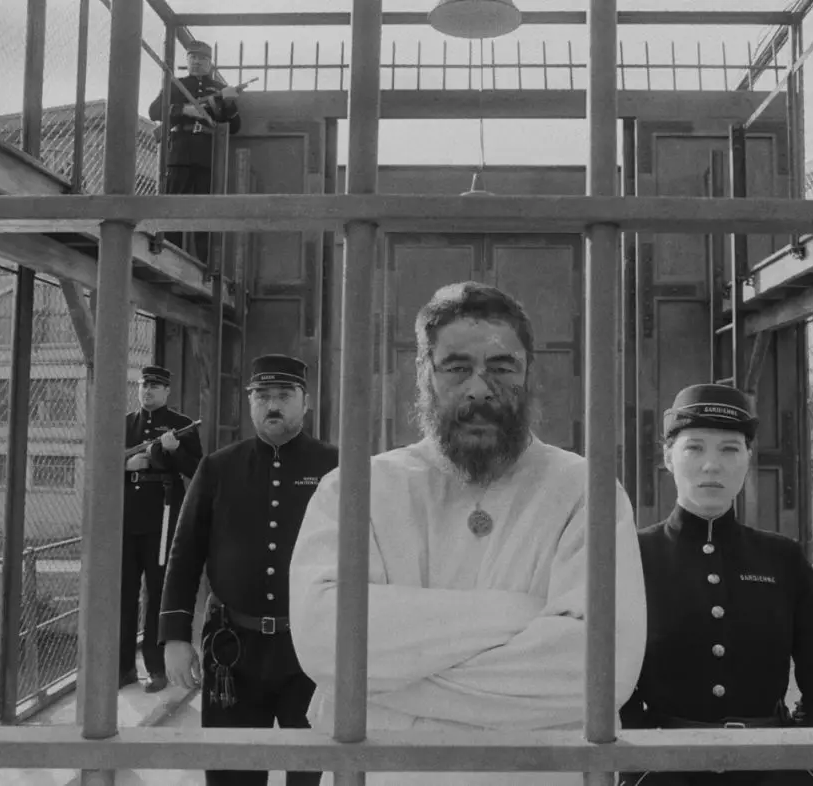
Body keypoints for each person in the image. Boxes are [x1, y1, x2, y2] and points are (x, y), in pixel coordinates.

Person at [289, 281, 647, 786]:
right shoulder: (357, 489)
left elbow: (601, 673)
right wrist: (521, 612)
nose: (480, 389)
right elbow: (326, 643)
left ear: (530, 374)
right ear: (424, 374)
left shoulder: (586, 491)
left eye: (502, 367)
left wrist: (378, 688)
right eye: (456, 368)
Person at [619, 384, 813, 786]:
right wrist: (639, 760)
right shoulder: (633, 555)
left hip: (772, 768)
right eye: (694, 448)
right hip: (662, 769)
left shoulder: (783, 559)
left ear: (748, 458)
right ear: (668, 457)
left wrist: (802, 760)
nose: (711, 465)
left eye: (730, 449)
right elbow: (609, 680)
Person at [159, 354, 338, 786]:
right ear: (250, 402)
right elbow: (185, 554)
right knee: (231, 773)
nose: (272, 405)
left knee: (309, 774)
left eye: (284, 395)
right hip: (233, 651)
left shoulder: (335, 468)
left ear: (306, 402)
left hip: (311, 652)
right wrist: (175, 637)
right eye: (262, 396)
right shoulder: (217, 467)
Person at [122, 365, 202, 693]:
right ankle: (124, 667)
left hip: (163, 518)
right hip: (126, 518)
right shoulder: (125, 424)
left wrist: (174, 450)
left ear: (167, 391)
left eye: (155, 386)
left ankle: (156, 668)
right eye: (144, 385)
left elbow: (197, 469)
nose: (148, 391)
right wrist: (126, 465)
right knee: (124, 593)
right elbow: (99, 464)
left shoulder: (182, 426)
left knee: (157, 593)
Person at [147, 40, 241, 261]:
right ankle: (169, 259)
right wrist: (184, 110)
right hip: (179, 153)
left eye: (203, 59)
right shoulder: (176, 85)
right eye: (193, 58)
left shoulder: (219, 89)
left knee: (204, 211)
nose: (197, 62)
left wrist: (229, 104)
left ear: (210, 63)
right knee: (173, 208)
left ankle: (204, 263)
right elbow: (154, 111)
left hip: (206, 155)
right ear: (187, 60)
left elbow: (236, 126)